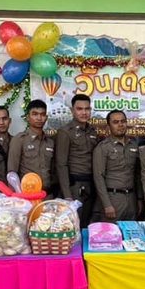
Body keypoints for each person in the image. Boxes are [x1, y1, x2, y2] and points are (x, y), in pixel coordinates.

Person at [55, 94, 99, 227]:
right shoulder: (65, 132)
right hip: (74, 185)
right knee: (73, 223)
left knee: (87, 223)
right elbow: (61, 164)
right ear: (72, 110)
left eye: (87, 109)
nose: (84, 112)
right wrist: (67, 195)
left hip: (91, 184)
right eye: (79, 109)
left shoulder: (92, 131)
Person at [92, 110, 139, 222]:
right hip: (113, 199)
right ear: (108, 126)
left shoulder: (133, 145)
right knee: (112, 232)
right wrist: (107, 204)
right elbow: (98, 178)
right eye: (116, 122)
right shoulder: (103, 147)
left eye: (123, 121)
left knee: (131, 231)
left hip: (131, 199)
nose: (120, 125)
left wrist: (140, 199)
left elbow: (137, 175)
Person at [8, 99, 56, 196]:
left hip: (47, 194)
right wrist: (16, 197)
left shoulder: (50, 141)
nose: (39, 118)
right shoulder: (20, 139)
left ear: (46, 117)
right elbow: (12, 173)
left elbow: (53, 171)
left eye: (42, 114)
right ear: (28, 117)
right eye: (35, 114)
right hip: (27, 195)